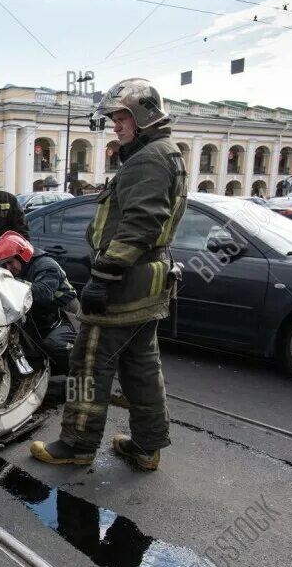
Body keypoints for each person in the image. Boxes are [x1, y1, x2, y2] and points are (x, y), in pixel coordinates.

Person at [30, 78, 187, 471]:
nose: (116, 126)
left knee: (88, 363)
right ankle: (147, 446)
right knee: (141, 365)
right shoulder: (166, 152)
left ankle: (77, 444)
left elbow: (141, 224)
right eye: (115, 118)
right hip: (149, 284)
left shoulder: (148, 159)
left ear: (143, 116)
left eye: (122, 118)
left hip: (124, 285)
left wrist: (103, 276)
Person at [0, 230, 79, 403]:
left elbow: (42, 295)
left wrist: (9, 282)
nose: (8, 269)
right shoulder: (18, 269)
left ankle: (81, 380)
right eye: (4, 266)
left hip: (67, 317)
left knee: (56, 345)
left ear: (22, 255)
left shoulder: (46, 265)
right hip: (42, 318)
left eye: (10, 263)